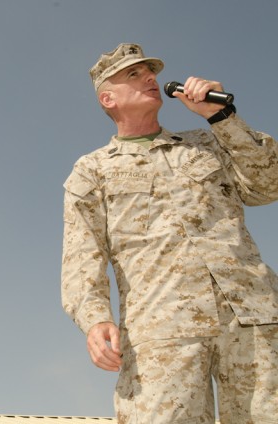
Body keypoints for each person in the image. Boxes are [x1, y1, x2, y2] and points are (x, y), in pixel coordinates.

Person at [61, 43, 278, 423]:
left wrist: (221, 115)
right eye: (133, 74)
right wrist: (95, 319)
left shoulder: (208, 142)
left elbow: (268, 184)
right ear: (107, 98)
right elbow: (82, 256)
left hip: (253, 316)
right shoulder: (91, 170)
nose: (150, 78)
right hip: (163, 329)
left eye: (150, 73)